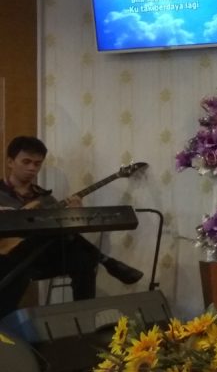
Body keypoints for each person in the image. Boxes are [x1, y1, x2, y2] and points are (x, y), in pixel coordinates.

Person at [0, 136, 143, 318]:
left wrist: (75, 217)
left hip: (41, 258)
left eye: (37, 164)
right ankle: (107, 261)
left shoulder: (45, 199)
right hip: (6, 257)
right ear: (10, 162)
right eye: (26, 162)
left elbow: (66, 237)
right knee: (35, 249)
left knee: (83, 258)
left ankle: (85, 318)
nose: (32, 168)